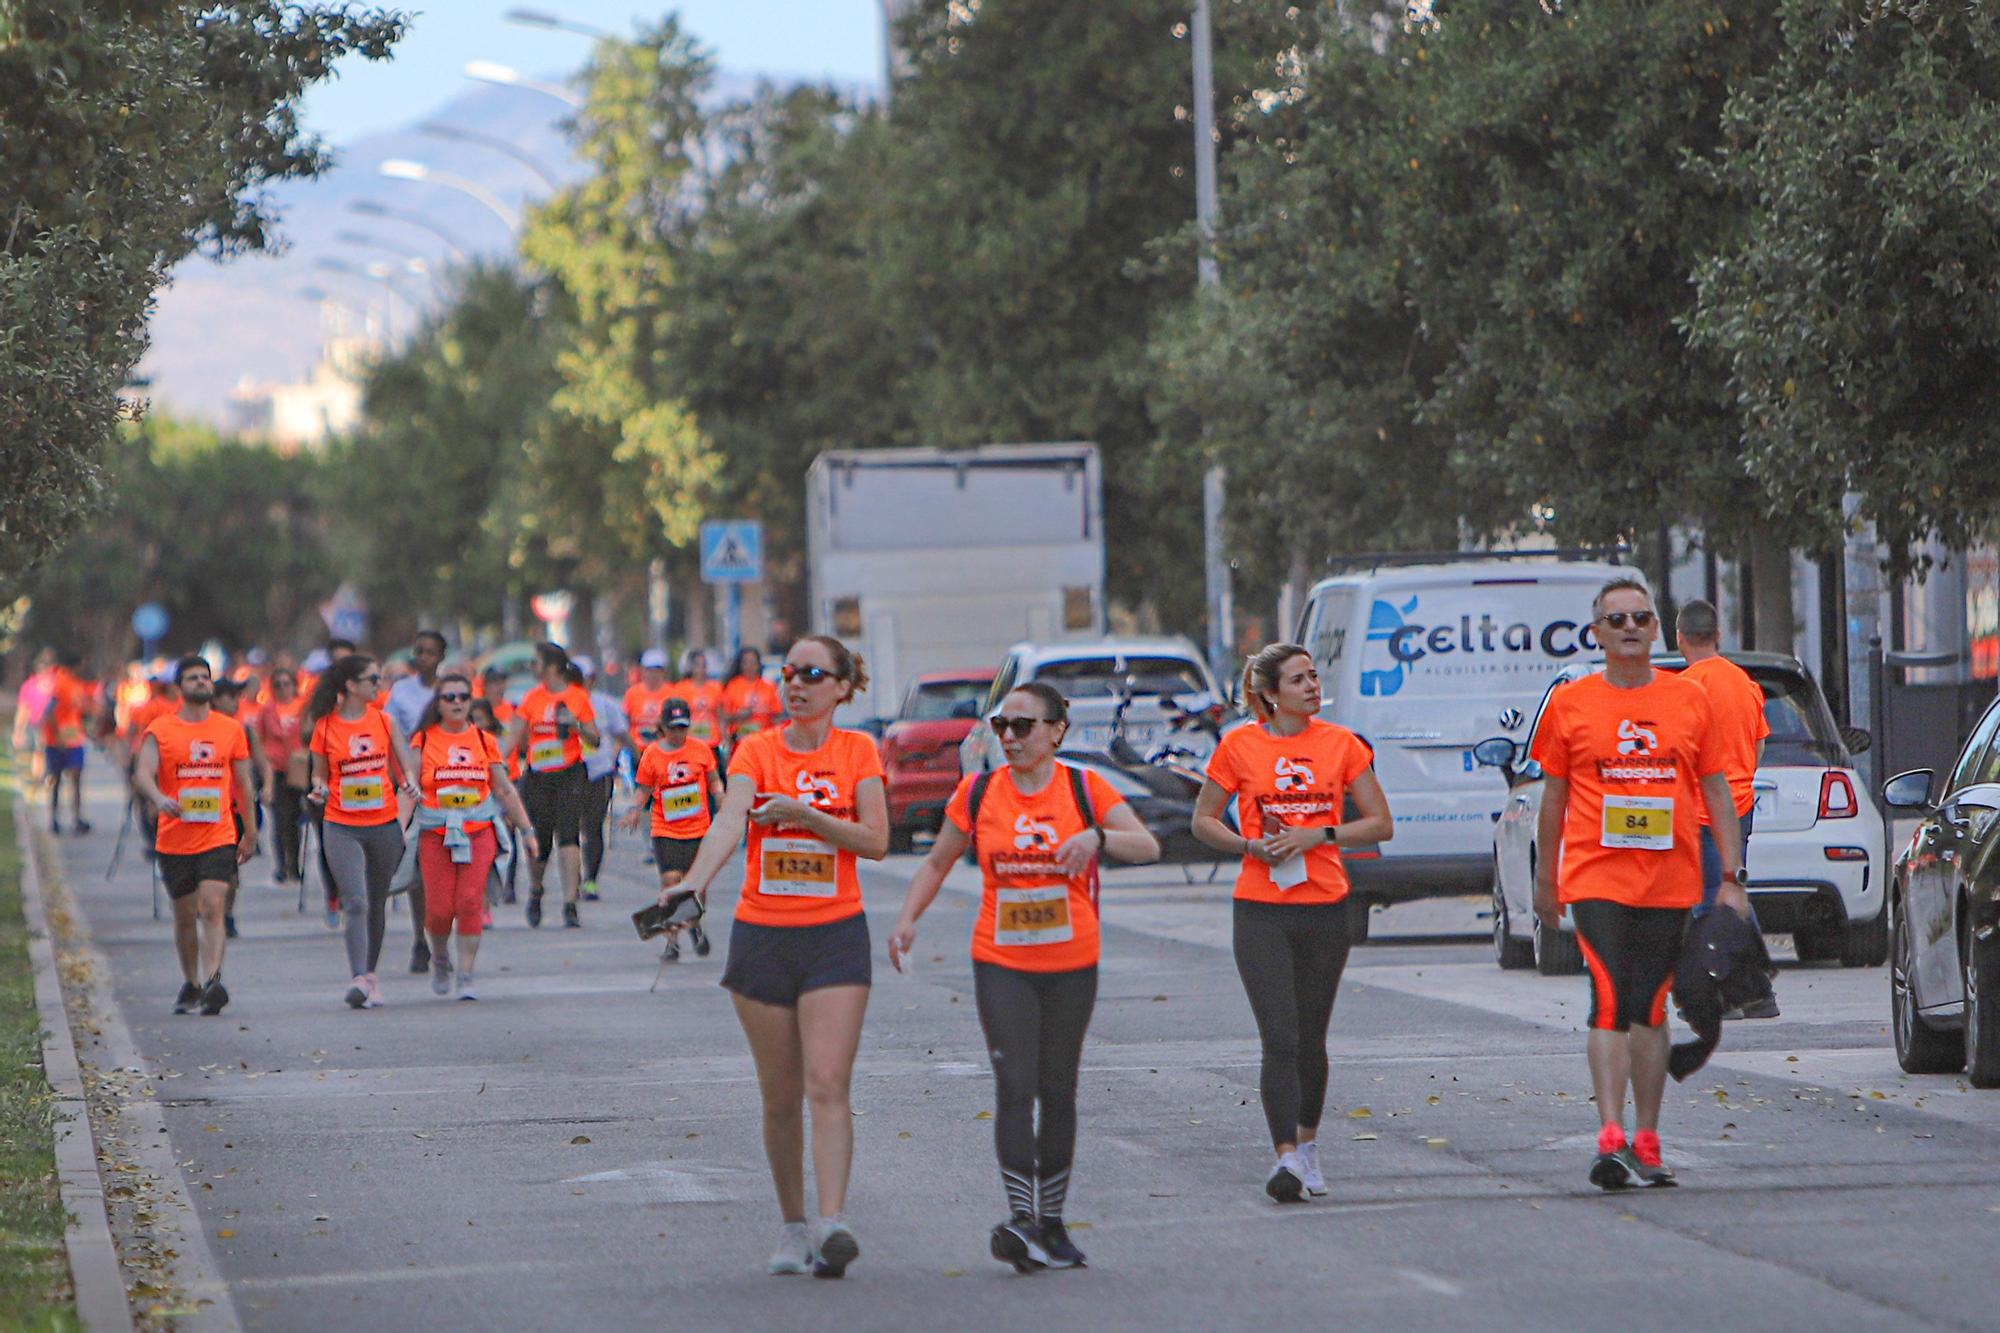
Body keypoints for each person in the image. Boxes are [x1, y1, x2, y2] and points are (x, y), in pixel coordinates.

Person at [888, 682, 1159, 1272]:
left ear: (1057, 731)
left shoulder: (1085, 789)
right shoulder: (980, 790)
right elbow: (936, 861)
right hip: (1001, 958)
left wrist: (1099, 837)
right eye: (1001, 725)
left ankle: (1051, 1224)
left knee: (1058, 1090)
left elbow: (1148, 846)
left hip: (1071, 961)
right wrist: (907, 920)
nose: (1008, 737)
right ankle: (1020, 1218)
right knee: (1015, 1086)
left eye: (1022, 726)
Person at [670, 635, 887, 1278]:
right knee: (780, 1094)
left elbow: (876, 840)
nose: (795, 684)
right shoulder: (756, 749)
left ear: (843, 687)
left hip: (835, 936)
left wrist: (806, 815)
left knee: (828, 1083)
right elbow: (731, 819)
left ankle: (833, 1222)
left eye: (813, 674)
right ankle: (794, 1226)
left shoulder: (859, 750)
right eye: (787, 673)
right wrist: (694, 882)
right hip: (763, 936)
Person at [1531, 577, 1748, 1190]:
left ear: (1657, 630)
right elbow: (1555, 796)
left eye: (1640, 618)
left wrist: (1732, 877)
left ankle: (1647, 1140)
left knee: (1650, 1004)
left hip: (1670, 875)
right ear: (1596, 632)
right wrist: (1546, 878)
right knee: (1608, 994)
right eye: (1616, 619)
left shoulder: (1689, 700)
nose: (1629, 627)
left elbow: (1715, 791)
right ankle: (1609, 1135)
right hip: (1595, 874)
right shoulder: (1572, 703)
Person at [1192, 642, 1394, 1203]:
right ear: (1270, 693)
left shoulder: (1341, 744)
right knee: (1278, 1037)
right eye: (1299, 679)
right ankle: (1284, 1159)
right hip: (1260, 908)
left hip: (1326, 905)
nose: (1311, 686)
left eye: (1313, 676)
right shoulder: (1239, 746)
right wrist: (1249, 846)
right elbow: (1203, 820)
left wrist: (1319, 834)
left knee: (1310, 1039)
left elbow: (1381, 824)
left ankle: (1307, 1147)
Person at [132, 656, 255, 1016]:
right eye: (193, 678)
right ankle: (192, 982)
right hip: (174, 838)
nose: (201, 682)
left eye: (205, 677)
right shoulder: (161, 729)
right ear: (178, 687)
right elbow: (142, 773)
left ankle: (213, 980)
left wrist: (251, 831)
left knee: (213, 906)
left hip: (218, 833)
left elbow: (244, 785)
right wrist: (159, 798)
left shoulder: (231, 729)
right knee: (185, 915)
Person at [406, 673, 537, 1000]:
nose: (457, 703)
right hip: (436, 832)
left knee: (468, 902)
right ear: (437, 704)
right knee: (437, 910)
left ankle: (465, 973)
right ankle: (439, 958)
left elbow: (504, 789)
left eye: (463, 697)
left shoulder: (483, 741)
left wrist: (527, 830)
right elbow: (408, 791)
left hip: (478, 831)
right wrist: (397, 827)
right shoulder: (422, 741)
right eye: (449, 697)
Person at [307, 654, 417, 1009]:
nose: (379, 685)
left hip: (383, 824)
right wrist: (319, 788)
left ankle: (370, 975)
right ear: (351, 686)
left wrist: (410, 787)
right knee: (355, 899)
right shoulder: (325, 727)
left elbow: (403, 766)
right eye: (373, 679)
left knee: (376, 902)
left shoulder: (384, 722)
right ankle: (357, 977)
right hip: (341, 825)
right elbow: (319, 772)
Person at [1675, 601, 1773, 943]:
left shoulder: (1683, 689)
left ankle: (1740, 980)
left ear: (1680, 639)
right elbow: (1759, 744)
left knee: (1710, 900)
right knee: (1729, 890)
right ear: (1717, 635)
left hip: (1699, 813)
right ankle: (1745, 978)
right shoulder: (1745, 684)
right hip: (1740, 808)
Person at [504, 642, 600, 928]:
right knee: (539, 842)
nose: (532, 668)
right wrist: (491, 763)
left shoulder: (577, 697)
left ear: (553, 667)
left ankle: (570, 903)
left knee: (569, 836)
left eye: (536, 663)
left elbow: (595, 738)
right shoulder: (531, 699)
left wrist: (576, 726)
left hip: (569, 773)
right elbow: (513, 738)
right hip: (537, 777)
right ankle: (536, 890)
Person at [621, 697, 723, 962]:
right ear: (663, 726)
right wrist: (634, 810)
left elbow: (714, 782)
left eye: (683, 727)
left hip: (698, 829)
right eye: (673, 728)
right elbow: (643, 789)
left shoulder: (701, 750)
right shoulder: (652, 754)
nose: (678, 734)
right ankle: (672, 942)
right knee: (671, 883)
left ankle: (695, 924)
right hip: (666, 829)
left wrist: (725, 802)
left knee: (695, 886)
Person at [209, 680, 271, 939]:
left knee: (231, 872)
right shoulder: (202, 730)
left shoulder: (244, 731)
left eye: (236, 696)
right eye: (228, 696)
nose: (234, 702)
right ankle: (211, 908)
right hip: (211, 808)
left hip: (237, 806)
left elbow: (262, 763)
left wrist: (267, 786)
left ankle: (227, 914)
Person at [574, 656, 630, 903]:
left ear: (592, 680)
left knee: (593, 826)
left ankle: (591, 880)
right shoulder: (562, 704)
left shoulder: (605, 704)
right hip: (570, 772)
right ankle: (572, 878)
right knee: (570, 828)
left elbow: (621, 734)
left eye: (583, 680)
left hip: (599, 771)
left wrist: (630, 757)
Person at [256, 667, 308, 883]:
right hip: (275, 769)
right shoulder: (266, 711)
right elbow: (259, 739)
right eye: (277, 685)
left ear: (294, 686)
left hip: (299, 768)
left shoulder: (303, 708)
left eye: (287, 684)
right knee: (279, 819)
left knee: (295, 819)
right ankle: (281, 866)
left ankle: (294, 865)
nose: (282, 689)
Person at [41, 650, 93, 834]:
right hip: (57, 739)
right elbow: (49, 712)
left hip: (74, 737)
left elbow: (77, 711)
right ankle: (54, 819)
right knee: (56, 779)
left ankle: (77, 818)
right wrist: (59, 736)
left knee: (76, 778)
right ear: (76, 665)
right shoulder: (60, 683)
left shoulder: (75, 684)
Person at [386, 629, 447, 737]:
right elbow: (388, 727)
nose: (423, 657)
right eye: (419, 652)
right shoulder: (400, 689)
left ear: (441, 657)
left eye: (430, 653)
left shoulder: (449, 690)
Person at [723, 646, 783, 746]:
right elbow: (724, 717)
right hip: (740, 742)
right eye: (745, 663)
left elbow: (777, 716)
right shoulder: (732, 686)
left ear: (759, 665)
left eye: (752, 662)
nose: (749, 666)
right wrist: (739, 716)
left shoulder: (769, 687)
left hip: (765, 743)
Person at [624, 648, 677, 750]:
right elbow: (625, 723)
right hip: (637, 749)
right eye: (649, 670)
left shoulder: (673, 693)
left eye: (657, 671)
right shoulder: (632, 693)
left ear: (664, 672)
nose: (653, 675)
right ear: (643, 671)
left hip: (664, 749)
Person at [677, 649, 726, 750]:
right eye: (697, 665)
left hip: (712, 742)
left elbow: (721, 717)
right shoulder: (681, 688)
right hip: (690, 743)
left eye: (704, 665)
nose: (701, 669)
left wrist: (725, 738)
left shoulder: (716, 688)